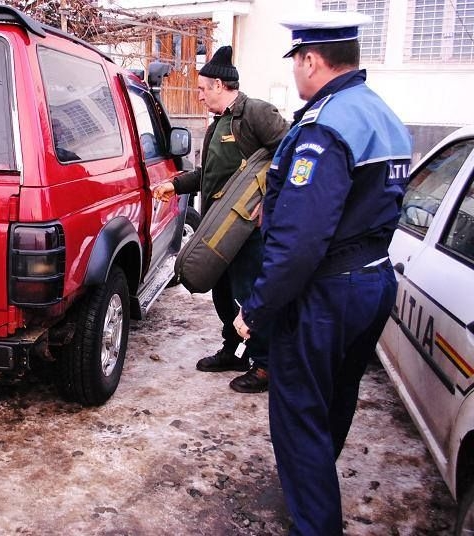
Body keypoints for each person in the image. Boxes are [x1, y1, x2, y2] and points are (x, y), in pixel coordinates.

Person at [233, 11, 412, 535]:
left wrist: (257, 310)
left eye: (296, 60)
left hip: (325, 294)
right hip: (373, 282)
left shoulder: (325, 126)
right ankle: (314, 486)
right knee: (335, 399)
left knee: (298, 416)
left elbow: (299, 243)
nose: (295, 71)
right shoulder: (383, 115)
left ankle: (314, 520)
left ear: (311, 59)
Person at [154, 45, 288, 393]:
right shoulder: (217, 126)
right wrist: (175, 184)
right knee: (223, 292)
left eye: (201, 89)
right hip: (218, 227)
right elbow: (208, 174)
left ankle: (264, 365)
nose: (198, 96)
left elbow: (289, 153)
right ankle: (234, 350)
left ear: (218, 85)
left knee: (248, 292)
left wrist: (269, 204)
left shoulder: (254, 112)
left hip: (246, 228)